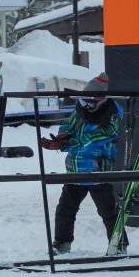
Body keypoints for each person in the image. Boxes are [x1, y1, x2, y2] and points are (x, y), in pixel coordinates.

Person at [40, 72, 124, 255]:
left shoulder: (111, 115)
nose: (85, 106)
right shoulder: (79, 110)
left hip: (98, 173)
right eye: (83, 101)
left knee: (108, 212)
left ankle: (119, 244)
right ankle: (61, 243)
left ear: (100, 100)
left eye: (90, 103)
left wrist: (69, 142)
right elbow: (68, 127)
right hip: (75, 170)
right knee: (65, 210)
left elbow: (96, 138)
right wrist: (61, 138)